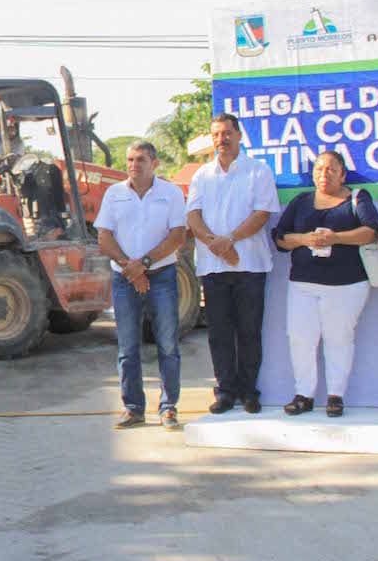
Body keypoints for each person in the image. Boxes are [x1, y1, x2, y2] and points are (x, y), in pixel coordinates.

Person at [272, 152, 378, 418]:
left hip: (347, 284)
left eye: (332, 169)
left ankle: (335, 396)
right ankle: (304, 394)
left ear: (343, 174)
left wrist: (336, 238)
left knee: (338, 339)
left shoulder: (358, 198)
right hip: (303, 284)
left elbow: (372, 231)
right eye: (319, 169)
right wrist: (303, 239)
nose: (324, 174)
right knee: (300, 339)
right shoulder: (301, 202)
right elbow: (280, 237)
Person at [186, 113, 280, 414]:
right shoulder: (202, 175)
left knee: (249, 331)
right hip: (214, 268)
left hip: (250, 265)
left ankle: (249, 392)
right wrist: (218, 244)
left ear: (239, 135)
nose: (221, 139)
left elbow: (262, 214)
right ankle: (225, 391)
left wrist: (229, 240)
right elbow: (193, 217)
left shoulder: (259, 171)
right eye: (216, 135)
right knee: (219, 333)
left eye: (227, 133)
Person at [95, 141, 186, 430]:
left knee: (168, 344)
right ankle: (133, 408)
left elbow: (177, 236)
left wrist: (143, 264)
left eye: (141, 160)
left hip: (161, 275)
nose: (134, 165)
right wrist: (130, 268)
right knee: (127, 347)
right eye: (130, 160)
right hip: (124, 278)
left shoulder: (170, 193)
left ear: (154, 164)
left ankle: (169, 407)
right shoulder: (114, 194)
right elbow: (104, 238)